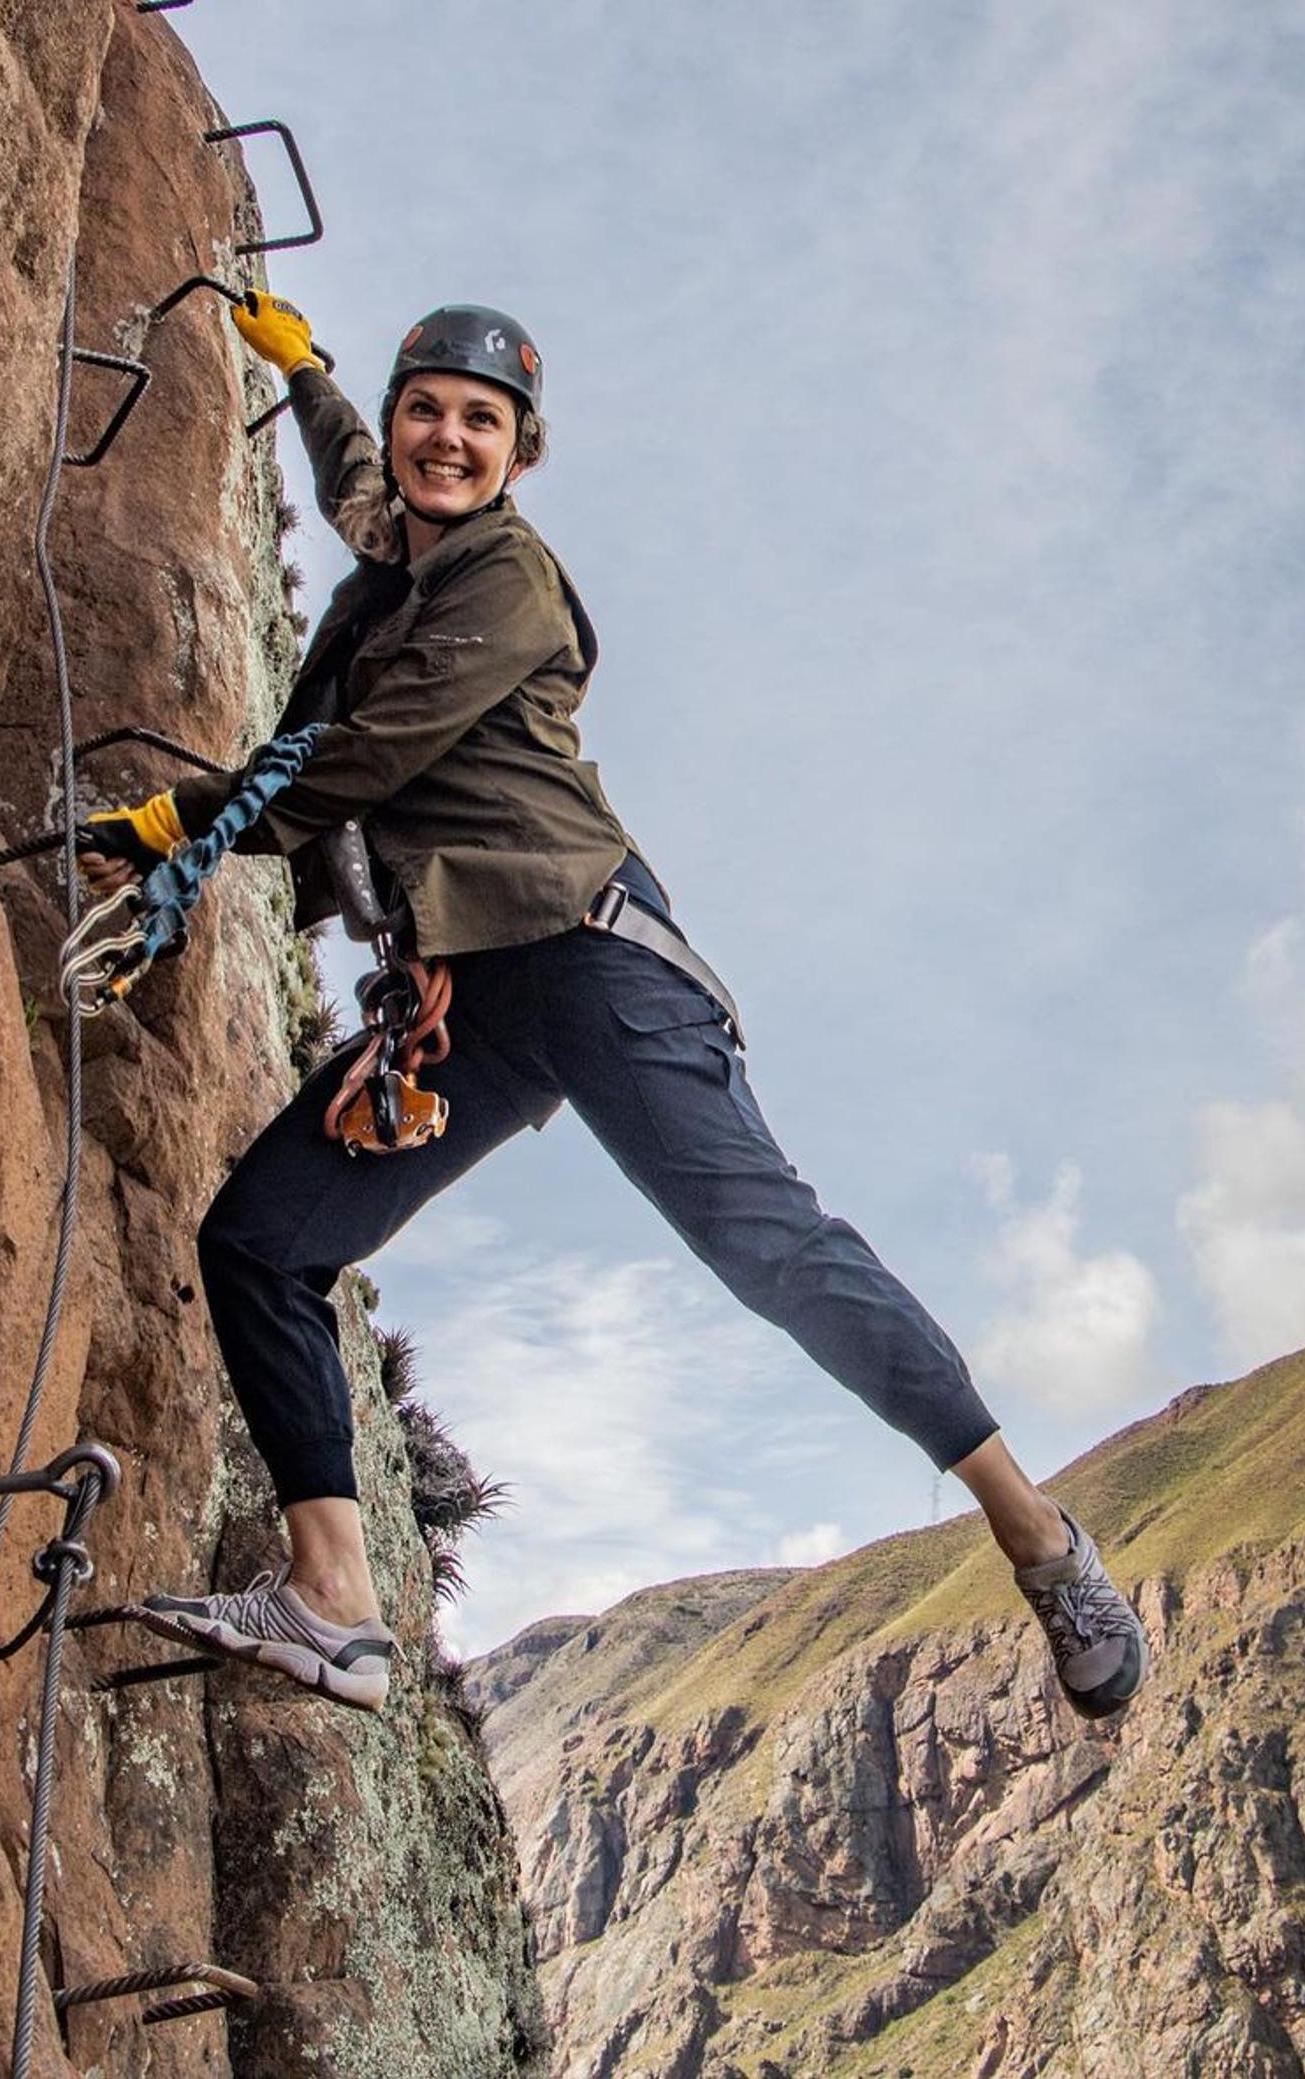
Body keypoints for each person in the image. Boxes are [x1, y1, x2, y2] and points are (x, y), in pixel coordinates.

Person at [80, 292, 1151, 1725]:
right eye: (427, 409)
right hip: (470, 1006)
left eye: (481, 421)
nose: (445, 438)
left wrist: (177, 826)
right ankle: (333, 1602)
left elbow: (360, 762)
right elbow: (354, 482)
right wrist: (311, 371)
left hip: (596, 967)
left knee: (771, 1250)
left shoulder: (505, 582)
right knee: (260, 1243)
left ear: (522, 455)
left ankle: (1036, 1533)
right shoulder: (405, 538)